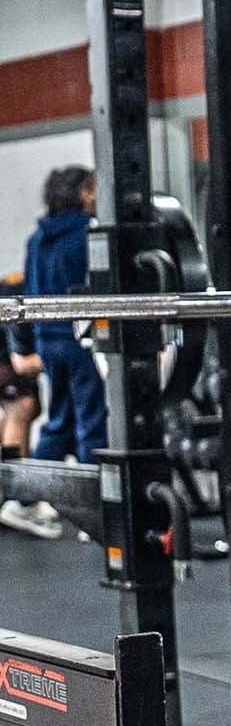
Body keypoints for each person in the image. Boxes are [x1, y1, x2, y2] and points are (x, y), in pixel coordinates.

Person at [24, 166, 107, 473]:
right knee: (92, 423)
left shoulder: (37, 239)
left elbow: (30, 289)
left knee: (60, 420)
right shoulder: (90, 232)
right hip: (79, 339)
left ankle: (27, 498)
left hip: (47, 340)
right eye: (94, 188)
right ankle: (97, 503)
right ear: (84, 192)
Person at [0, 271, 58, 539]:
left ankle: (10, 494)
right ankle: (16, 498)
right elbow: (23, 363)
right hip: (7, 354)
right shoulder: (18, 290)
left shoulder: (30, 281)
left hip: (10, 349)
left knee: (27, 409)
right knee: (20, 408)